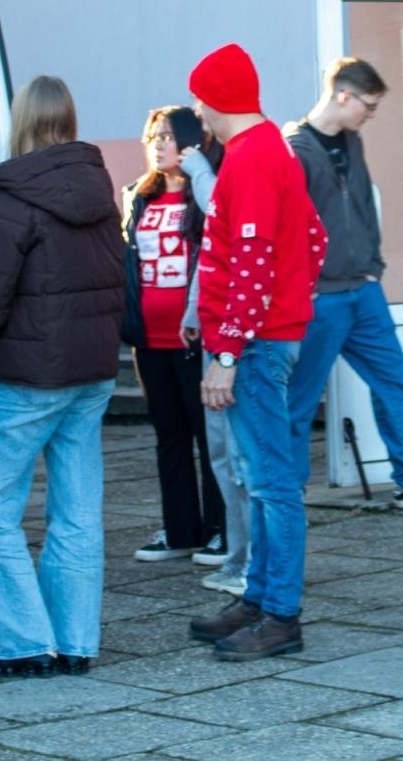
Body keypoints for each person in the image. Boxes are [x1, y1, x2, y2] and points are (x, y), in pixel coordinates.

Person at [0, 76, 124, 678]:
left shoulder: (10, 200)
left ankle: (22, 642)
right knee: (77, 511)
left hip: (29, 376)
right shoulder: (103, 194)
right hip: (93, 372)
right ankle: (74, 641)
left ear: (21, 120)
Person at [184, 43, 325, 661]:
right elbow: (312, 239)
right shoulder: (264, 150)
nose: (196, 110)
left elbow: (251, 262)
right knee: (260, 477)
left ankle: (280, 617)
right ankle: (261, 599)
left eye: (199, 98)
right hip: (266, 336)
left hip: (255, 345)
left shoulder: (254, 156)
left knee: (271, 483)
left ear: (217, 100)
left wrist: (228, 354)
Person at [284, 59, 403, 508]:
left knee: (395, 380)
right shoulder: (295, 149)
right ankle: (287, 491)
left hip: (363, 291)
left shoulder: (352, 142)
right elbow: (288, 225)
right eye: (369, 105)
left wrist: (374, 266)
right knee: (300, 400)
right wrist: (305, 284)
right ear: (344, 95)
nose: (370, 115)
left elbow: (361, 205)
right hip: (321, 297)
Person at [123, 106, 228, 567]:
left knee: (208, 436)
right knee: (168, 435)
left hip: (193, 337)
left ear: (190, 143)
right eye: (153, 136)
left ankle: (222, 530)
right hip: (149, 338)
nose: (159, 144)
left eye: (168, 136)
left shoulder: (203, 198)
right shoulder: (137, 198)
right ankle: (181, 529)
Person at [178, 134, 249, 598]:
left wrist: (200, 170)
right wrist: (192, 310)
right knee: (223, 454)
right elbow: (210, 255)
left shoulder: (241, 164)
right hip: (214, 329)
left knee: (242, 459)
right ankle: (239, 558)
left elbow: (223, 213)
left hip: (237, 337)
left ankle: (250, 564)